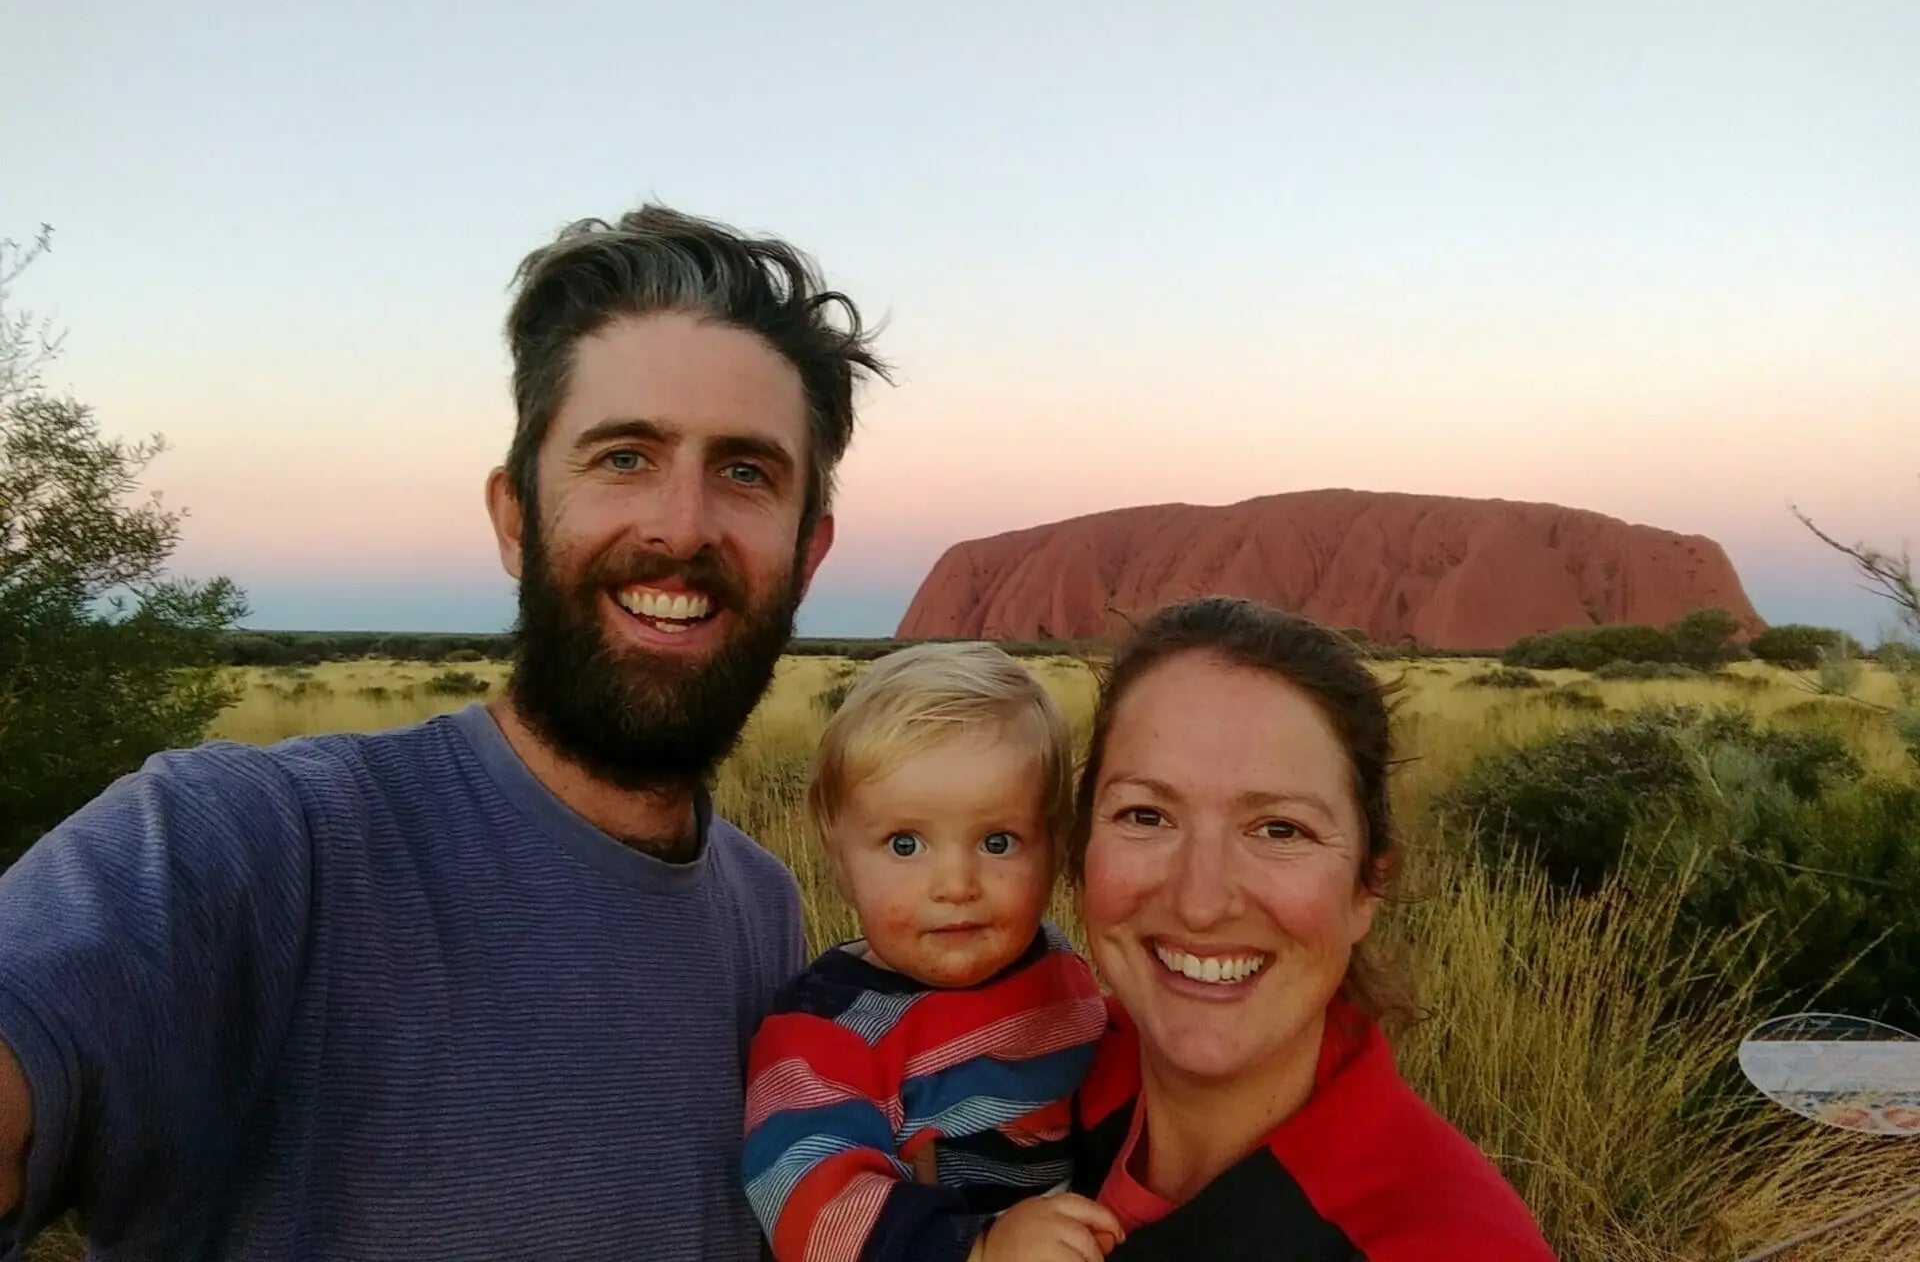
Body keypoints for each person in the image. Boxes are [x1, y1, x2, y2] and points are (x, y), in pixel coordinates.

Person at [0, 205, 888, 1260]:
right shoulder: (257, 843)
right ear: (516, 516)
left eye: (746, 471)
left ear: (809, 551)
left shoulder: (760, 907)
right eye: (623, 457)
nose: (681, 525)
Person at [1066, 598, 1556, 1261]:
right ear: (1079, 852)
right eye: (1146, 816)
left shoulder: (1449, 1243)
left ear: (1366, 886)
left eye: (1279, 829)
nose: (1201, 901)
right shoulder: (1013, 1069)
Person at [743, 643, 1119, 1262]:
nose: (955, 885)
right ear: (839, 857)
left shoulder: (1058, 971)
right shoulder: (826, 1030)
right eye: (905, 844)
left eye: (998, 841)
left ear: (1056, 847)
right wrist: (978, 1250)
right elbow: (807, 1199)